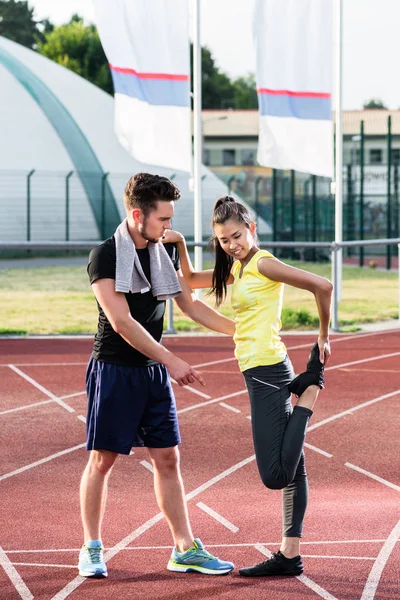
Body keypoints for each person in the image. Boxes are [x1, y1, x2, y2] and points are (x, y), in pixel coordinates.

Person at [163, 196, 333, 577]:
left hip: (267, 371)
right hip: (265, 366)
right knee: (295, 468)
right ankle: (290, 556)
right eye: (223, 240)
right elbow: (189, 282)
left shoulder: (263, 264)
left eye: (236, 236)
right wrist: (177, 244)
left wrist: (323, 336)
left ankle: (309, 393)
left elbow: (323, 285)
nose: (231, 245)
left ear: (251, 229)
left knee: (275, 474)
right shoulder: (237, 268)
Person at [79, 174, 236, 579]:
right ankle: (92, 547)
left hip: (151, 374)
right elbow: (121, 322)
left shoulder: (160, 251)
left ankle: (184, 549)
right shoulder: (106, 255)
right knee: (102, 460)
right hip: (115, 371)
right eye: (163, 219)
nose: (169, 227)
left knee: (168, 458)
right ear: (138, 215)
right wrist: (172, 361)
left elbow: (192, 306)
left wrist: (243, 330)